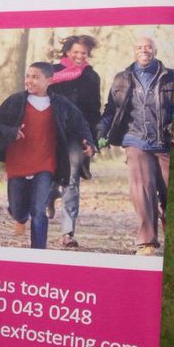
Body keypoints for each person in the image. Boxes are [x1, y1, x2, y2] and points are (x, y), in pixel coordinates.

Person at [0, 63, 95, 250]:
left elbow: (80, 123)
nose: (29, 80)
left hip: (46, 163)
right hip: (18, 162)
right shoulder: (16, 101)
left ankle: (38, 252)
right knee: (17, 208)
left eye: (35, 77)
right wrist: (12, 132)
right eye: (28, 76)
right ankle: (20, 218)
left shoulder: (60, 104)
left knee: (38, 210)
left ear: (49, 80)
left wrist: (89, 142)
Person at [96, 36, 174, 256]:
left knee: (168, 188)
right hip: (135, 139)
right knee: (142, 188)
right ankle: (147, 241)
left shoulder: (170, 77)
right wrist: (101, 131)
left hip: (164, 140)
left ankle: (167, 216)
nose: (144, 50)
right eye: (139, 47)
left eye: (148, 47)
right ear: (134, 51)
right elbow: (111, 109)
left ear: (155, 50)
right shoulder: (122, 78)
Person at [47, 35, 103, 248]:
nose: (80, 56)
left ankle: (67, 232)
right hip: (51, 132)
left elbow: (94, 111)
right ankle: (51, 195)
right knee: (49, 176)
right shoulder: (51, 71)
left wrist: (92, 141)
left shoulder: (91, 76)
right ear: (67, 52)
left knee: (71, 180)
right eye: (76, 52)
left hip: (76, 135)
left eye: (84, 53)